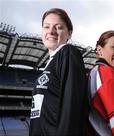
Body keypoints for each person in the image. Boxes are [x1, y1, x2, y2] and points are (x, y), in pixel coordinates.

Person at [29, 8, 87, 136]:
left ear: (69, 33)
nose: (51, 31)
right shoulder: (51, 62)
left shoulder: (68, 52)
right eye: (46, 27)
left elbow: (72, 107)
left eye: (58, 27)